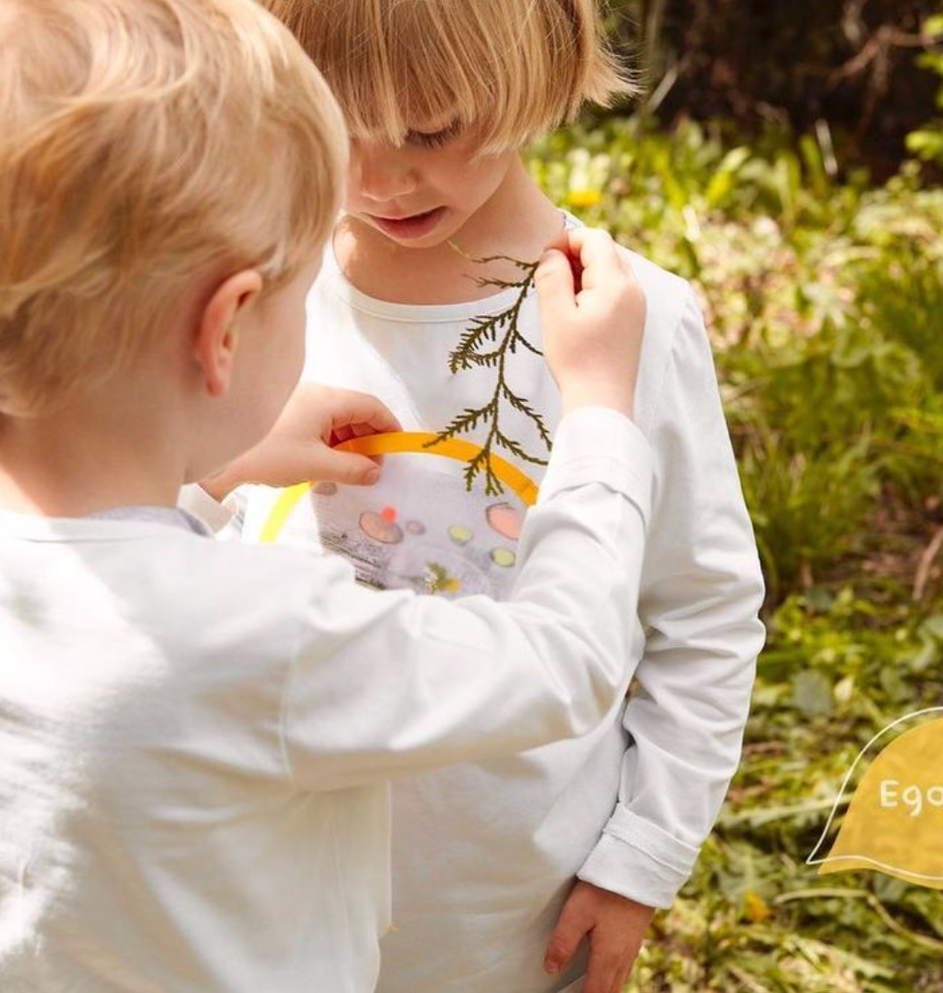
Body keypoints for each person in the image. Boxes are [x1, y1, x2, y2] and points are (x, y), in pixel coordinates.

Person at [0, 0, 657, 988]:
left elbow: (91, 579)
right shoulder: (263, 638)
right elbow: (560, 665)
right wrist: (601, 409)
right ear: (225, 328)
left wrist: (224, 469)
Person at [252, 2, 769, 990]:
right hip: (269, 897)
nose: (377, 177)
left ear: (540, 62)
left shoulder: (626, 323)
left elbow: (699, 614)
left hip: (509, 916)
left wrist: (638, 863)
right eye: (331, 122)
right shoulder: (260, 287)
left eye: (431, 129)